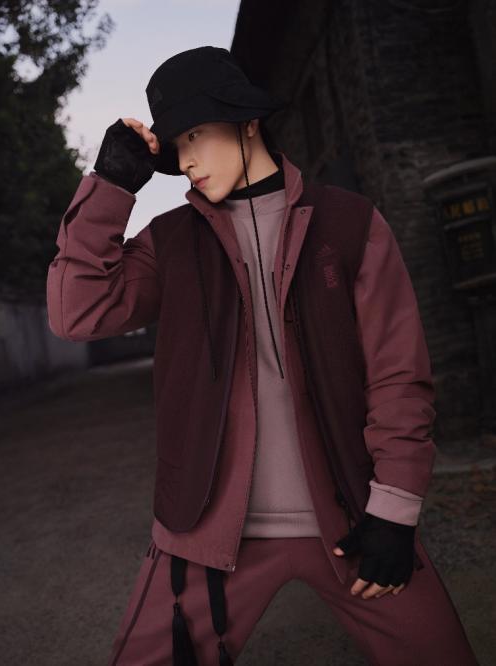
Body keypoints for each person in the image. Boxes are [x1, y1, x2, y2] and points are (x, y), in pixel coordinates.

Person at [46, 46, 480, 665]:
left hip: (352, 521)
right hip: (204, 532)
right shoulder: (170, 243)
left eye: (197, 134)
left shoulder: (350, 224)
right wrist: (110, 187)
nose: (187, 160)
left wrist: (395, 510)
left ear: (248, 122)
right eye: (176, 145)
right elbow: (76, 313)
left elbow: (398, 377)